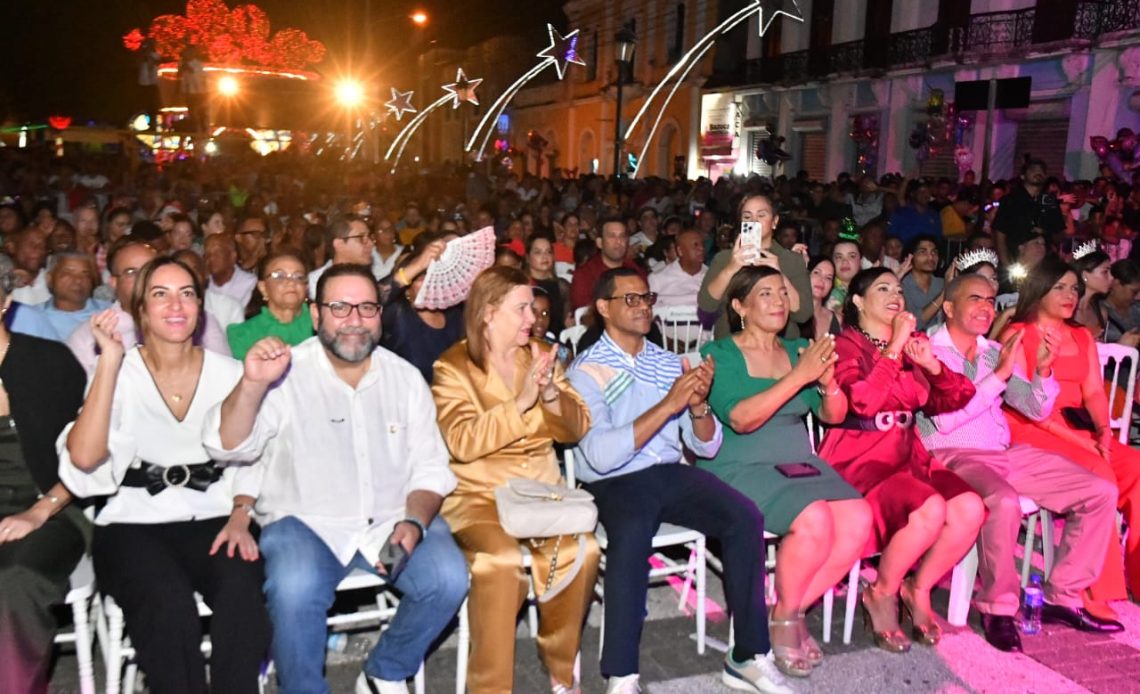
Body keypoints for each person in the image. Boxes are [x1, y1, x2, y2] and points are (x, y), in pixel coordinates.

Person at [204, 263, 467, 694]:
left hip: (390, 518)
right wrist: (251, 386)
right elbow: (229, 447)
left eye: (366, 307)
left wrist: (415, 521)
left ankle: (385, 671)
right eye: (339, 307)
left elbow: (430, 466)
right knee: (294, 586)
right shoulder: (284, 373)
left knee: (448, 577)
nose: (354, 320)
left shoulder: (404, 378)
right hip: (307, 523)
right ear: (315, 314)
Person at [569, 268, 790, 694]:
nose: (643, 306)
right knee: (631, 532)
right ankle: (622, 673)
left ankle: (747, 656)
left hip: (670, 473)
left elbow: (705, 447)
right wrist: (669, 403)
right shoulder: (586, 371)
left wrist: (698, 408)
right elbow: (599, 457)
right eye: (629, 299)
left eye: (646, 298)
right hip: (615, 481)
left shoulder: (668, 362)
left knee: (745, 516)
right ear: (603, 309)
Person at [58, 257, 271, 694]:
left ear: (201, 308)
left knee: (242, 589)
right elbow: (83, 458)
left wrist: (241, 512)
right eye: (160, 294)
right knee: (167, 603)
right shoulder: (117, 371)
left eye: (187, 293)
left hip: (214, 515)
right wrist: (110, 362)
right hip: (130, 523)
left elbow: (254, 457)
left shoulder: (231, 373)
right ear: (140, 311)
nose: (176, 305)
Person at [919, 274, 1122, 651]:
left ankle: (1063, 595)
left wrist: (1042, 370)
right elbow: (945, 420)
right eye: (975, 299)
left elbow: (1031, 406)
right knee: (1004, 500)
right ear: (948, 307)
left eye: (990, 300)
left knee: (1098, 491)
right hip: (951, 454)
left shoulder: (994, 350)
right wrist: (997, 378)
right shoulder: (928, 350)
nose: (985, 307)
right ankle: (997, 607)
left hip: (1002, 452)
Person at [431, 266, 599, 694]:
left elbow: (577, 429)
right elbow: (461, 442)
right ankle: (490, 688)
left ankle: (561, 670)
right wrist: (521, 403)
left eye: (532, 307)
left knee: (585, 547)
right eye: (521, 308)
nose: (534, 317)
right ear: (489, 312)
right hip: (478, 496)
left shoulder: (541, 355)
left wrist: (548, 396)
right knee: (501, 563)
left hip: (540, 493)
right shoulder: (453, 367)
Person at [698, 265, 871, 677]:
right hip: (741, 464)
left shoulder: (799, 349)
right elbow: (741, 419)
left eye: (781, 293)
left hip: (801, 463)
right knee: (815, 518)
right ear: (739, 306)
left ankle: (785, 612)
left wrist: (827, 383)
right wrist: (800, 377)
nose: (778, 301)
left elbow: (834, 414)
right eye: (765, 294)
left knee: (859, 517)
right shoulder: (721, 354)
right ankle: (787, 620)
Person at [817, 267, 985, 653]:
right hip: (861, 457)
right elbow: (861, 402)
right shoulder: (844, 346)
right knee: (929, 508)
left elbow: (957, 397)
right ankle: (882, 591)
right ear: (857, 301)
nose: (895, 294)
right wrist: (895, 349)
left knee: (969, 508)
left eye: (898, 288)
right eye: (882, 287)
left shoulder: (915, 342)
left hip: (909, 454)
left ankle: (918, 587)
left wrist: (932, 366)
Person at [1000, 256, 1140, 614]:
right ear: (1039, 289)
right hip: (1033, 430)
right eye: (1059, 287)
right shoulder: (1017, 333)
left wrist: (1105, 430)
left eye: (1074, 289)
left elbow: (1093, 391)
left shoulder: (1080, 334)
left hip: (1081, 429)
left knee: (1137, 469)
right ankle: (1095, 589)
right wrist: (1087, 443)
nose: (1070, 295)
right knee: (1101, 473)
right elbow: (1023, 406)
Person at [0, 255, 87, 694]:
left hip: (53, 506)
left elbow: (88, 458)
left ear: (5, 301)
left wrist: (41, 510)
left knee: (13, 582)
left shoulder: (49, 362)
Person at [68, 238, 231, 375]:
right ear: (113, 283)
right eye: (132, 272)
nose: (144, 279)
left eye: (151, 270)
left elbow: (223, 382)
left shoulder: (196, 321)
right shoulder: (90, 335)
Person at [700, 194, 810, 340]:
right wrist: (731, 267)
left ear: (774, 221)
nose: (754, 221)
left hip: (781, 346)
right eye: (747, 217)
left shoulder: (791, 260)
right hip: (732, 345)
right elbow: (707, 304)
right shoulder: (724, 258)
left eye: (761, 215)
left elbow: (803, 314)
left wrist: (780, 274)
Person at [381, 249, 464, 383]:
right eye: (421, 278)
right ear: (406, 289)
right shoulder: (396, 314)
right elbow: (370, 299)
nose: (429, 283)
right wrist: (417, 265)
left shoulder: (455, 314)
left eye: (433, 277)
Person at [226, 252, 313, 361]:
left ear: (306, 287)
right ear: (263, 288)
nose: (291, 282)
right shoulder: (242, 334)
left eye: (298, 277)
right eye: (279, 276)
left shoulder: (321, 323)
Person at [994, 159, 1064, 265]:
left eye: (1041, 171)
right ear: (1023, 176)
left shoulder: (1050, 201)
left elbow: (1060, 232)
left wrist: (1046, 231)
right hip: (1017, 257)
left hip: (1044, 261)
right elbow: (1000, 234)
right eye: (1033, 170)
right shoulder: (1010, 200)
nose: (1038, 173)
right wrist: (1006, 263)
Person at [569, 218, 646, 310]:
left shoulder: (636, 270)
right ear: (599, 243)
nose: (618, 241)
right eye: (612, 236)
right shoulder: (585, 274)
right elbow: (584, 313)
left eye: (622, 236)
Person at [35, 252, 110, 341]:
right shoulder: (32, 317)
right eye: (68, 273)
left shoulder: (108, 313)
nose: (78, 280)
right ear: (49, 279)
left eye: (85, 274)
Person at [309, 214, 376, 298]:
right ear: (339, 244)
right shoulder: (314, 282)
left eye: (369, 237)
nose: (370, 244)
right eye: (361, 238)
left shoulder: (370, 278)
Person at [649, 228, 707, 308]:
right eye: (695, 245)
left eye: (702, 244)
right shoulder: (657, 279)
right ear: (680, 251)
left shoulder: (713, 277)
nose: (701, 248)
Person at [526, 233, 571, 331]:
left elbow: (566, 322)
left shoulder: (562, 286)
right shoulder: (523, 286)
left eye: (548, 252)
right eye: (538, 252)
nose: (545, 256)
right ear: (528, 258)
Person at [900, 236, 946, 332]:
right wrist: (943, 295)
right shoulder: (901, 285)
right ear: (910, 257)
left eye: (934, 252)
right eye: (923, 252)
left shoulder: (941, 283)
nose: (930, 257)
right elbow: (914, 324)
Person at [205, 233, 258, 309]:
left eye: (217, 253)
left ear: (232, 256)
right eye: (207, 254)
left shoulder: (251, 284)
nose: (211, 258)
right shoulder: (203, 285)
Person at [1071, 243, 1114, 339]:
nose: (1111, 278)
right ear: (1085, 275)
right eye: (1105, 272)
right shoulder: (1067, 309)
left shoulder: (1101, 313)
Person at [801, 256, 840, 338]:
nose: (822, 280)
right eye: (816, 273)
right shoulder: (790, 316)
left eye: (828, 278)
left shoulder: (838, 320)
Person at [1103, 259, 1140, 344]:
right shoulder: (1099, 313)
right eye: (1134, 292)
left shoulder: (1137, 308)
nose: (1138, 297)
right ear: (1116, 284)